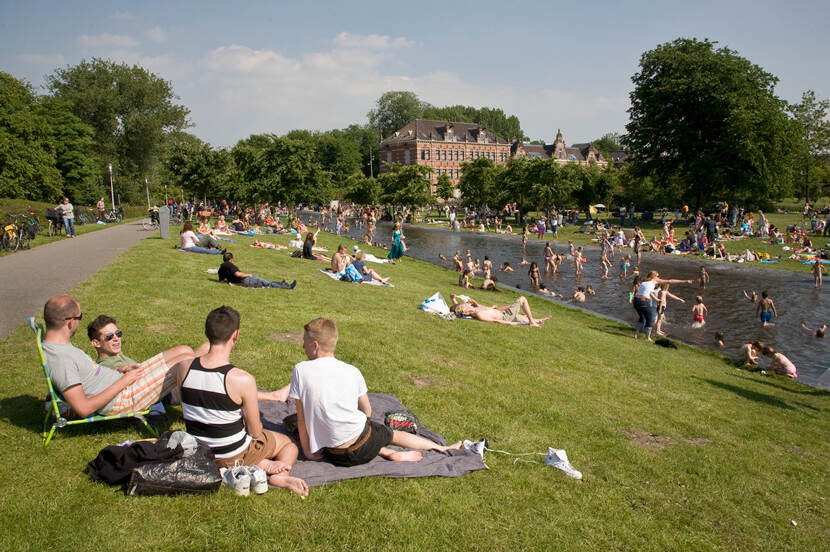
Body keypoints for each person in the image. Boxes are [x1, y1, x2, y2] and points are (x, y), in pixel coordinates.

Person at [290, 318, 463, 467]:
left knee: (294, 422)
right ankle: (441, 448)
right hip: (361, 448)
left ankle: (387, 452)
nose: (302, 345)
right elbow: (367, 411)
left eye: (304, 341)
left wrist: (308, 452)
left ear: (315, 345)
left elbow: (301, 418)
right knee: (388, 433)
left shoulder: (300, 370)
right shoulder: (353, 371)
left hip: (333, 454)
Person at [179, 306, 307, 496]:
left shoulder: (183, 367)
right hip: (230, 455)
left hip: (197, 450)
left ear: (207, 333)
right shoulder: (241, 379)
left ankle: (258, 462)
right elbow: (255, 431)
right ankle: (278, 474)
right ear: (235, 335)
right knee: (288, 444)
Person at [40, 296, 198, 418]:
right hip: (122, 398)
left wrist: (120, 370)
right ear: (70, 322)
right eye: (79, 317)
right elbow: (83, 408)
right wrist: (124, 381)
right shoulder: (61, 358)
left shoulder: (60, 347)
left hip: (122, 380)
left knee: (183, 351)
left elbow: (90, 375)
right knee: (185, 362)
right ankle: (196, 417)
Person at [632, 271, 694, 341]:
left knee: (642, 317)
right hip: (643, 301)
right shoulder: (654, 280)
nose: (659, 277)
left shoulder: (645, 282)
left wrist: (656, 299)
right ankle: (647, 337)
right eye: (658, 276)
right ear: (654, 276)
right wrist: (685, 281)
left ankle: (636, 334)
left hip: (636, 301)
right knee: (651, 319)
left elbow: (648, 292)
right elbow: (670, 281)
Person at [449, 294, 550, 327]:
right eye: (466, 305)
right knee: (522, 299)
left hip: (502, 313)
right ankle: (532, 322)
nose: (468, 304)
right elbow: (495, 321)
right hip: (504, 316)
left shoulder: (475, 309)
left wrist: (453, 298)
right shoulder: (479, 314)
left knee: (520, 316)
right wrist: (509, 324)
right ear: (466, 311)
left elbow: (458, 308)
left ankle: (537, 320)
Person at [218, 252, 296, 289]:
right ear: (231, 259)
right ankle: (288, 287)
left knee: (265, 281)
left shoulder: (221, 267)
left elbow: (221, 280)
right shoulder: (229, 265)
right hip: (244, 280)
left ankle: (280, 283)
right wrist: (248, 275)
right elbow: (238, 274)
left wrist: (229, 281)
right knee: (268, 284)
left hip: (241, 281)